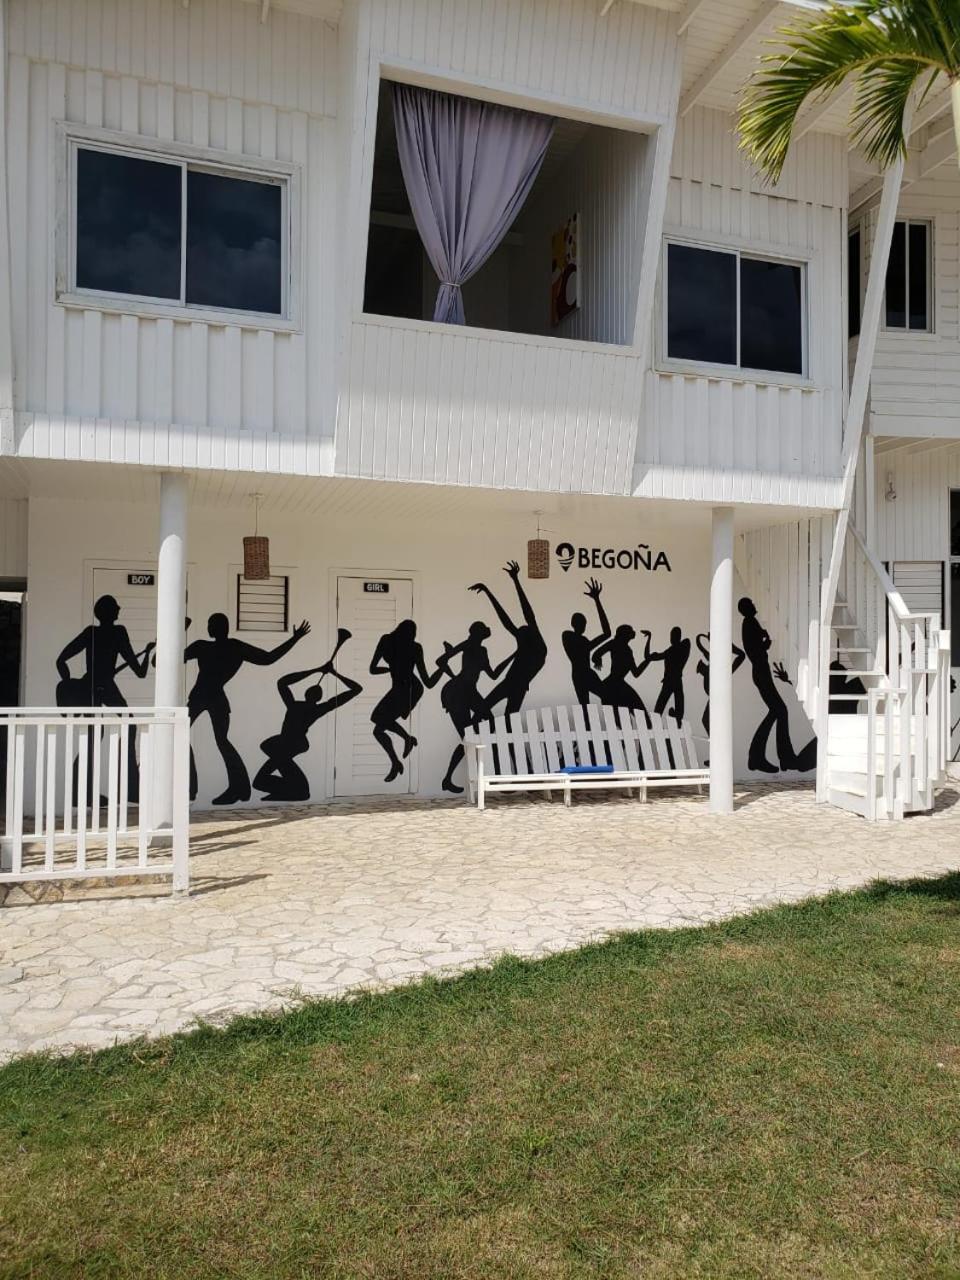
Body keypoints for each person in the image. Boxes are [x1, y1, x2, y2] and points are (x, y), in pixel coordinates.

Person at [185, 613, 310, 804]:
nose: (209, 627)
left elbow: (268, 658)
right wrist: (295, 638)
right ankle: (203, 788)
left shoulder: (213, 647)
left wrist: (295, 638)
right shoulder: (218, 647)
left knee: (218, 741)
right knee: (202, 739)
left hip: (207, 698)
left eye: (211, 624)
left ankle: (235, 789)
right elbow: (269, 658)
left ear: (219, 627)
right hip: (207, 698)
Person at [55, 595, 155, 802]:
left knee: (98, 734)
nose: (119, 609)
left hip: (91, 685)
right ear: (109, 612)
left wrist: (70, 683)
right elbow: (140, 672)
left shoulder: (91, 632)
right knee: (124, 726)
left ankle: (85, 792)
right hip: (103, 686)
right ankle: (125, 789)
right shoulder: (118, 632)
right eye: (116, 608)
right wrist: (147, 653)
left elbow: (61, 660)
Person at [254, 658, 362, 802]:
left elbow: (283, 683)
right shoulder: (314, 709)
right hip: (288, 743)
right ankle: (297, 790)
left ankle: (299, 790)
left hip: (291, 743)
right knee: (264, 775)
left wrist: (319, 670)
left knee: (270, 768)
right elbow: (356, 689)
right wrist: (330, 672)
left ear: (307, 694)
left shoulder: (296, 706)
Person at [437, 621, 513, 793]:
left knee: (487, 725)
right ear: (477, 633)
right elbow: (440, 661)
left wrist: (512, 656)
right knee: (468, 738)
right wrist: (454, 677)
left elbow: (493, 675)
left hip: (471, 692)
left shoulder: (482, 650)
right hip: (457, 693)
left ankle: (493, 775)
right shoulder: (467, 644)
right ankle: (449, 779)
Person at [369, 619, 444, 783]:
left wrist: (389, 668)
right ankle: (398, 757)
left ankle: (404, 746)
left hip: (409, 690)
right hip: (406, 689)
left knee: (378, 722)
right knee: (378, 728)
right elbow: (428, 682)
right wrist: (442, 668)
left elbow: (373, 669)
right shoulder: (411, 646)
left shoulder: (387, 640)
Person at [470, 560, 547, 717]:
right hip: (511, 683)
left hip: (517, 686)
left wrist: (515, 580)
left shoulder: (539, 647)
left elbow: (526, 612)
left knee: (502, 718)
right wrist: (488, 591)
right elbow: (505, 619)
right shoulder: (528, 645)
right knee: (485, 712)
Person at [738, 597, 799, 772]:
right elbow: (756, 647)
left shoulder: (749, 623)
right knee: (780, 710)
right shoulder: (749, 622)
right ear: (746, 608)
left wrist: (765, 641)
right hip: (760, 671)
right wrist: (766, 640)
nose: (754, 605)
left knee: (778, 711)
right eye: (751, 604)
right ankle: (777, 757)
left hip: (761, 670)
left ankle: (761, 756)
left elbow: (758, 646)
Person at [561, 577, 610, 706]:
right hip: (581, 674)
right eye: (582, 623)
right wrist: (597, 600)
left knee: (604, 697)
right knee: (588, 706)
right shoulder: (568, 636)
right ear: (574, 624)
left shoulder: (582, 641)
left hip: (582, 674)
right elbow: (606, 634)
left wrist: (597, 600)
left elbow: (607, 633)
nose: (584, 626)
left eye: (584, 623)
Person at [591, 624, 650, 715]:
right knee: (638, 715)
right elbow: (595, 655)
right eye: (630, 631)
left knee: (637, 715)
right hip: (613, 686)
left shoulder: (626, 649)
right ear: (625, 634)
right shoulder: (616, 644)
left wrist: (647, 660)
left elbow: (636, 673)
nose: (633, 633)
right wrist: (598, 660)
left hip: (612, 685)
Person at [695, 632, 745, 734]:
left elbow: (741, 655)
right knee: (707, 721)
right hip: (716, 695)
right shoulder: (715, 662)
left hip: (717, 696)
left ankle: (716, 739)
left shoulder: (718, 664)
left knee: (707, 720)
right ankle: (716, 739)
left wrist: (724, 644)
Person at [643, 626, 692, 724]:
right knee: (668, 710)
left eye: (673, 636)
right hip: (675, 681)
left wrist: (649, 638)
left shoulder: (673, 650)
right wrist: (649, 638)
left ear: (677, 637)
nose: (671, 638)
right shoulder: (673, 650)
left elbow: (648, 657)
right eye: (671, 636)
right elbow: (648, 657)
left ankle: (666, 722)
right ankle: (671, 721)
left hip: (670, 681)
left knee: (660, 709)